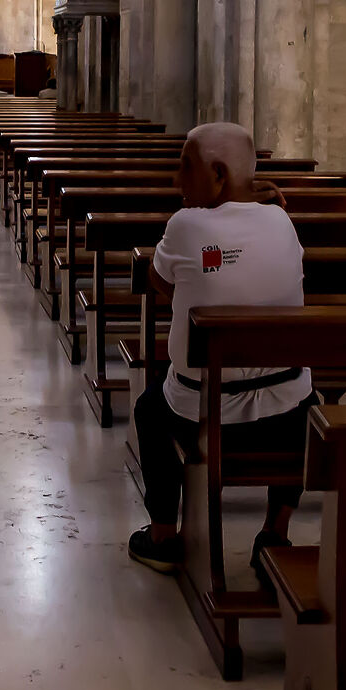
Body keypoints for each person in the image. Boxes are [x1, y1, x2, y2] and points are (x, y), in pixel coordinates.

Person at [127, 123, 311, 577]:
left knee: (150, 408)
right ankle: (275, 531)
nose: (176, 181)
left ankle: (164, 536)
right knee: (311, 404)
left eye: (185, 168)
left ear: (218, 174)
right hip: (285, 415)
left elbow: (159, 279)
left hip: (201, 414)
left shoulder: (186, 225)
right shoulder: (282, 219)